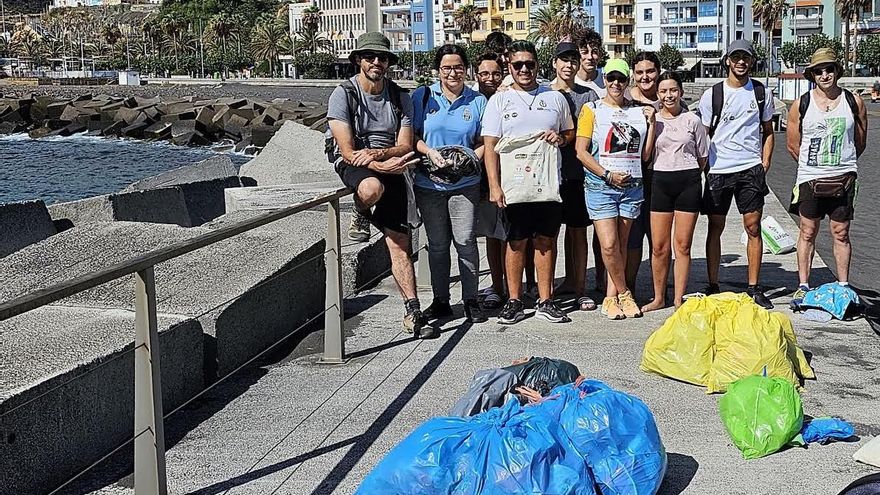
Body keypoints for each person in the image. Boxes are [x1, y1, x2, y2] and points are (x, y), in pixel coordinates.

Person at [327, 32, 432, 337]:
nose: (376, 62)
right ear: (358, 60)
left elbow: (405, 144)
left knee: (401, 244)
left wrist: (383, 156)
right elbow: (346, 151)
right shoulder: (344, 94)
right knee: (372, 188)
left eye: (382, 57)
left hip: (390, 162)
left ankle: (413, 310)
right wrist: (379, 164)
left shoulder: (400, 97)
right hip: (354, 162)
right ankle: (360, 208)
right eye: (370, 56)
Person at [482, 40, 575, 324]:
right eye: (518, 64)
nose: (524, 69)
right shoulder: (499, 100)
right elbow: (490, 147)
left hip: (547, 186)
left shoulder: (555, 98)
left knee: (546, 241)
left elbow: (569, 133)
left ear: (537, 65)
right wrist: (494, 186)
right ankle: (514, 299)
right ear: (509, 66)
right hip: (514, 186)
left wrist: (560, 138)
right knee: (515, 242)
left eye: (529, 64)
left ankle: (546, 300)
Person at [412, 45, 488, 324]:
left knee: (466, 241)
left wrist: (468, 160)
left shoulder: (477, 101)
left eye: (458, 67)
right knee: (437, 244)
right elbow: (411, 137)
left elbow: (485, 142)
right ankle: (440, 300)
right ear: (438, 71)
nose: (453, 73)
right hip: (428, 184)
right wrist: (429, 152)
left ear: (466, 69)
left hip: (465, 184)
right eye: (447, 68)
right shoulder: (423, 96)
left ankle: (471, 299)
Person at [785, 48, 867, 304]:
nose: (824, 75)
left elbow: (860, 142)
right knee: (807, 231)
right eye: (818, 71)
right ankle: (803, 284)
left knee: (840, 232)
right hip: (810, 177)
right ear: (812, 75)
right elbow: (792, 145)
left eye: (829, 69)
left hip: (843, 177)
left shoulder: (854, 101)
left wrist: (842, 163)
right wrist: (815, 166)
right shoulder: (803, 103)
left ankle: (843, 284)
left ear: (837, 71)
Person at [698, 39, 775, 309]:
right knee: (715, 227)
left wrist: (764, 163)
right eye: (736, 57)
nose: (741, 62)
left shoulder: (761, 92)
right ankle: (713, 283)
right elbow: (702, 135)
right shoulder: (713, 94)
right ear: (727, 60)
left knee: (753, 228)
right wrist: (705, 167)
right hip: (719, 170)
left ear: (752, 61)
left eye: (746, 57)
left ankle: (754, 286)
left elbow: (768, 131)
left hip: (749, 169)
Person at [575, 58, 653, 320]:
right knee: (608, 245)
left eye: (621, 79)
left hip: (632, 186)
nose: (616, 84)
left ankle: (610, 297)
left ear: (627, 80)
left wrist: (651, 124)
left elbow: (645, 154)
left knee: (620, 244)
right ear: (604, 80)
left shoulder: (639, 111)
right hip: (601, 186)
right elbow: (581, 152)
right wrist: (606, 175)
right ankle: (624, 292)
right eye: (611, 78)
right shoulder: (591, 109)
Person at [641, 71, 708, 312]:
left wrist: (687, 173)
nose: (668, 95)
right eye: (663, 91)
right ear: (657, 94)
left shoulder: (693, 120)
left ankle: (679, 298)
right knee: (659, 246)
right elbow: (646, 156)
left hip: (688, 182)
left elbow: (702, 156)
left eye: (673, 90)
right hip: (660, 181)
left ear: (680, 92)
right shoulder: (653, 119)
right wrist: (650, 126)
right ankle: (659, 297)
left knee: (683, 245)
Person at [550, 41, 599, 311]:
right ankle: (551, 287)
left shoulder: (589, 96)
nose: (568, 65)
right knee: (549, 235)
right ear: (555, 64)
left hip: (579, 174)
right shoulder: (543, 93)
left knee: (578, 232)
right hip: (548, 175)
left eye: (573, 60)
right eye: (563, 60)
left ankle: (579, 287)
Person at [624, 51, 661, 297]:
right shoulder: (624, 99)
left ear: (658, 71)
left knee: (659, 241)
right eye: (639, 72)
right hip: (632, 178)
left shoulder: (669, 95)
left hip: (662, 178)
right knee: (632, 238)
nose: (645, 77)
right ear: (633, 75)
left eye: (650, 71)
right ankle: (630, 287)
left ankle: (660, 292)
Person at [473, 52, 507, 308]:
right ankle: (497, 285)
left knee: (516, 236)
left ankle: (523, 286)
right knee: (493, 236)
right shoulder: (473, 101)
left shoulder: (509, 97)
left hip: (513, 175)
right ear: (477, 75)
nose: (490, 78)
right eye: (484, 73)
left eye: (495, 73)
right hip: (483, 178)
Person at [575, 30, 606, 97]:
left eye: (594, 52)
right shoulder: (569, 82)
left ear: (600, 54)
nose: (590, 57)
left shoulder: (607, 82)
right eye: (584, 52)